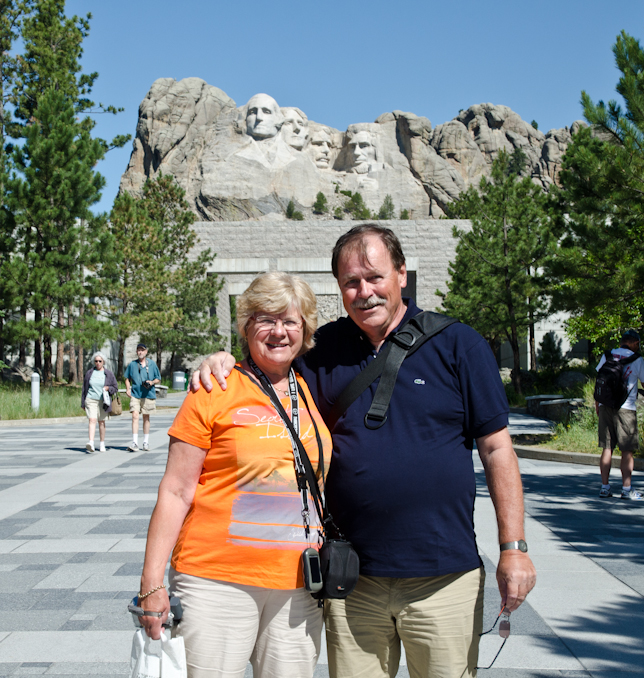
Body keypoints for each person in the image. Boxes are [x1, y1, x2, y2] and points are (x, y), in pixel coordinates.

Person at [195, 224, 536, 678]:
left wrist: (513, 548)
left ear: (401, 275)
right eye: (351, 282)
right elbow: (266, 362)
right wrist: (221, 359)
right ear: (339, 289)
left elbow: (497, 450)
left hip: (442, 576)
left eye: (374, 277)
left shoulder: (459, 345)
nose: (364, 292)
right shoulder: (322, 351)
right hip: (352, 579)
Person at [139, 272, 332, 678]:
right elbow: (175, 491)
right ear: (246, 326)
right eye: (266, 318)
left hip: (299, 583)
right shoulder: (214, 387)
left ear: (305, 330)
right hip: (217, 579)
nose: (279, 331)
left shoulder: (313, 386)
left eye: (290, 321)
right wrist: (152, 583)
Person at [596, 330, 644, 500]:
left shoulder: (608, 355)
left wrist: (597, 403)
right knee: (627, 450)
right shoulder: (637, 359)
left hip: (605, 405)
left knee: (607, 447)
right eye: (638, 344)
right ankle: (626, 490)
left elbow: (599, 378)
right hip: (626, 408)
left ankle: (605, 488)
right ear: (634, 343)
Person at [124, 343, 161, 451]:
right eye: (138, 350)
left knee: (146, 417)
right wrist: (128, 388)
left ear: (146, 352)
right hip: (135, 394)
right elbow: (127, 378)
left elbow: (158, 378)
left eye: (142, 350)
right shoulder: (132, 364)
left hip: (148, 394)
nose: (140, 352)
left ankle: (145, 442)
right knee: (135, 415)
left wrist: (152, 382)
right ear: (136, 352)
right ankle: (135, 442)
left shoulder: (152, 364)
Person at [82, 352, 117, 453]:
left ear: (103, 362)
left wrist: (108, 388)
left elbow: (115, 387)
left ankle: (102, 443)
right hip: (91, 399)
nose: (98, 363)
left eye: (100, 361)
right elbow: (84, 388)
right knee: (92, 420)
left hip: (103, 401)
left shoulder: (108, 374)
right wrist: (83, 403)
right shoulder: (89, 373)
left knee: (101, 422)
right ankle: (91, 443)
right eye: (96, 361)